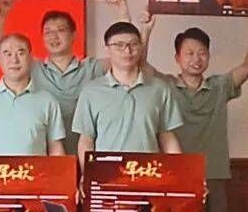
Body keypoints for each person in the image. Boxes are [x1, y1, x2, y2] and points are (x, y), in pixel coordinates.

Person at [141, 12, 248, 212]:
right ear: (177, 57)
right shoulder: (166, 86)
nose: (196, 58)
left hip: (214, 175)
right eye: (189, 53)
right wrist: (146, 30)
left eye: (202, 53)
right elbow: (140, 64)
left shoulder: (219, 87)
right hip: (176, 180)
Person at [0, 0, 133, 157]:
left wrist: (123, 12)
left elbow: (126, 57)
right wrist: (3, 15)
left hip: (85, 153)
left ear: (74, 35)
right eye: (48, 32)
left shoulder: (91, 68)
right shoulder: (33, 67)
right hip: (46, 156)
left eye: (60, 30)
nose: (54, 36)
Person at [72, 21, 184, 166]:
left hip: (148, 172)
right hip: (106, 174)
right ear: (107, 49)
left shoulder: (159, 88)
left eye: (133, 44)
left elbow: (167, 136)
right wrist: (87, 173)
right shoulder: (91, 91)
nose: (127, 51)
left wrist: (179, 172)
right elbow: (86, 139)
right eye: (119, 45)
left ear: (141, 47)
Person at [0, 33, 66, 156]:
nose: (14, 60)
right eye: (8, 54)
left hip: (34, 169)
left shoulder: (48, 101)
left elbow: (56, 149)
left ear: (31, 57)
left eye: (20, 53)